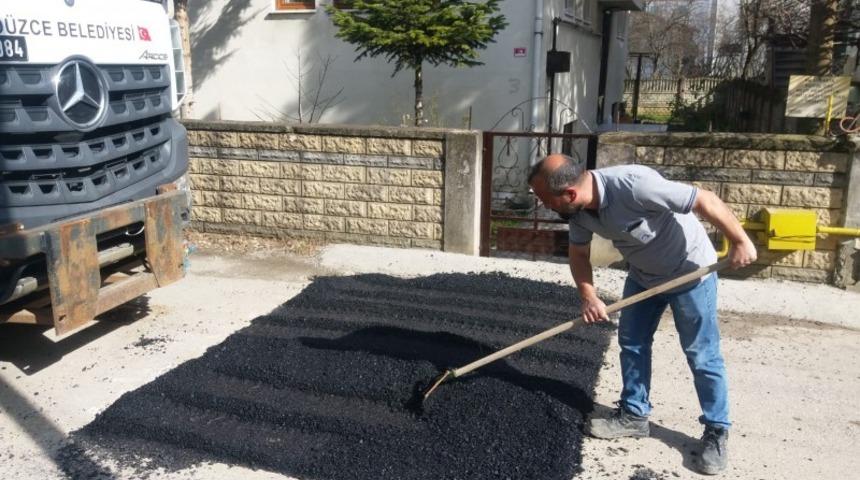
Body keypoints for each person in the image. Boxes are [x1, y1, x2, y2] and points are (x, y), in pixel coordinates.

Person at [528, 154, 757, 475]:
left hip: (690, 272)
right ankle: (635, 415)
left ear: (569, 194)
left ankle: (717, 430)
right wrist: (588, 295)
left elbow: (705, 200)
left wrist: (740, 240)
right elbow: (578, 253)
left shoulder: (635, 185)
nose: (545, 207)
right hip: (643, 276)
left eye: (546, 201)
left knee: (701, 354)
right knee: (632, 343)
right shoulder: (578, 213)